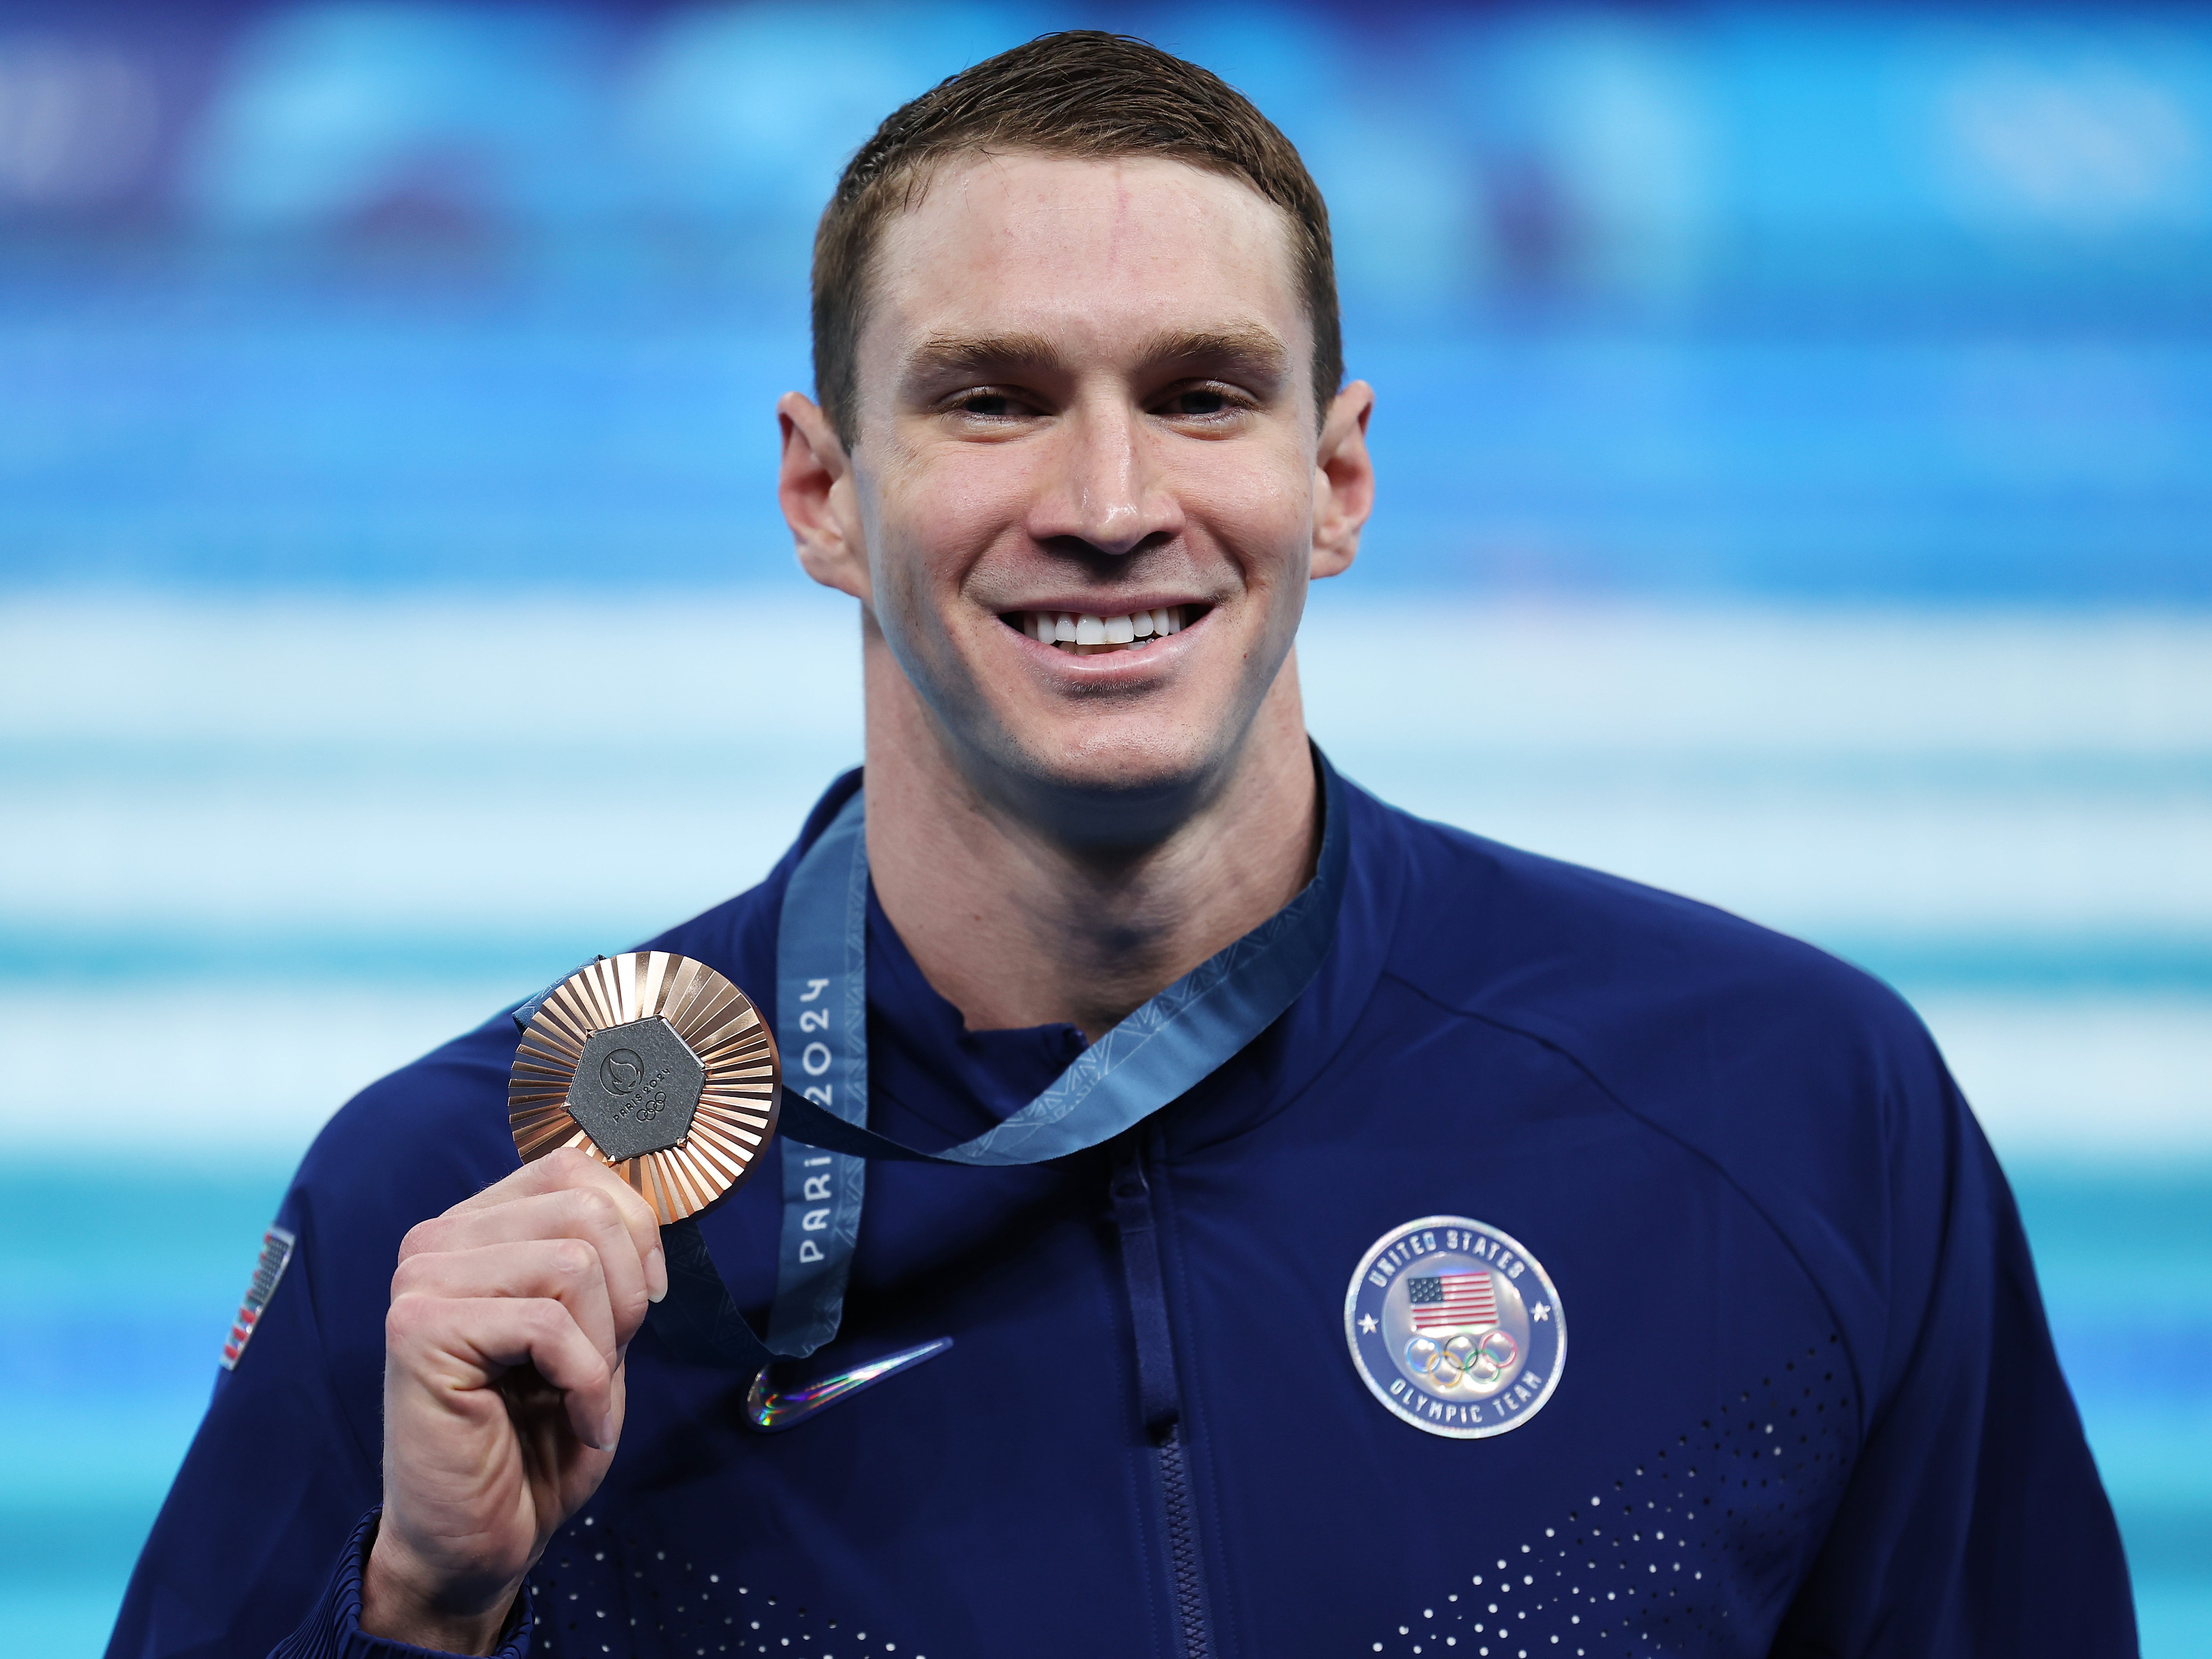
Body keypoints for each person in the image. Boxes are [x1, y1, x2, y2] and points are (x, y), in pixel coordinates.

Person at [111, 30, 2132, 1659]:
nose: (1106, 497)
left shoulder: (1783, 1111)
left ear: (1335, 477)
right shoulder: (460, 1207)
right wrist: (423, 1618)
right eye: (992, 400)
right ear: (824, 491)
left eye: (1201, 396)